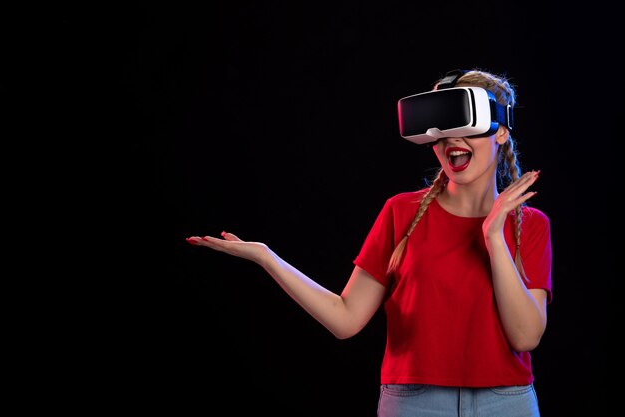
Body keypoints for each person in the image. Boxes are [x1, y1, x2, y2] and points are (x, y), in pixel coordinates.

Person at [186, 68, 552, 417]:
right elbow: (346, 319)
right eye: (439, 130)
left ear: (500, 130)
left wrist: (493, 236)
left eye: (463, 124)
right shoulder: (401, 212)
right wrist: (268, 258)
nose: (450, 140)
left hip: (506, 403)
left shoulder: (530, 225)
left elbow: (525, 336)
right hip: (414, 403)